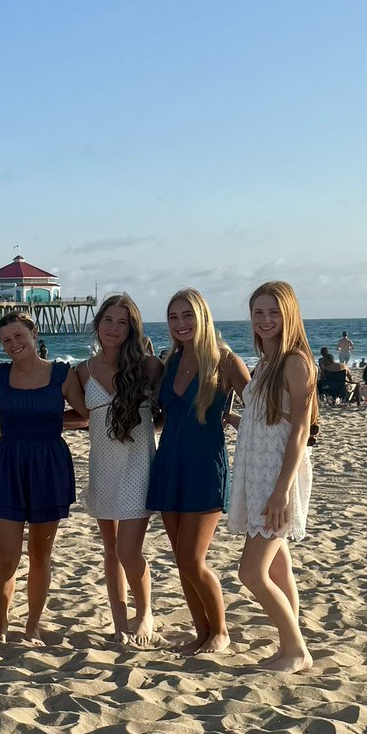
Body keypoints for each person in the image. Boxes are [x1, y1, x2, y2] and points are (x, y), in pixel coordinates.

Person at [146, 288, 249, 655]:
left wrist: (233, 417)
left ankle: (221, 630)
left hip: (205, 466)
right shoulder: (170, 361)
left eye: (187, 315)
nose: (180, 323)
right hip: (169, 464)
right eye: (173, 317)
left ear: (202, 316)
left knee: (192, 557)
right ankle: (201, 632)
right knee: (180, 558)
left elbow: (257, 410)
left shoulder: (225, 360)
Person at [0, 312, 88, 647]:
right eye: (6, 340)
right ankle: (1, 623)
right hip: (9, 464)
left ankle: (33, 626)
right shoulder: (1, 375)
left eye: (18, 337)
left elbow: (84, 415)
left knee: (41, 553)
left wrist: (49, 423)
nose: (13, 345)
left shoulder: (61, 374)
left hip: (48, 466)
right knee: (7, 556)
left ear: (33, 334)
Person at [226, 282, 316, 673]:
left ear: (289, 314)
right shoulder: (266, 361)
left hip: (277, 475)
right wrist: (233, 420)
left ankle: (296, 650)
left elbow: (299, 429)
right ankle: (287, 646)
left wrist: (281, 491)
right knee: (279, 567)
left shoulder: (296, 361)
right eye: (258, 313)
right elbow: (269, 419)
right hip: (258, 469)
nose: (265, 320)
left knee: (251, 571)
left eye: (273, 313)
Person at [75, 294, 164, 646]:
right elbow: (76, 415)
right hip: (103, 467)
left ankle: (145, 615)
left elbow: (169, 410)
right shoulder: (81, 371)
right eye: (108, 321)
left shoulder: (150, 367)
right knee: (110, 550)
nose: (114, 328)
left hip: (139, 466)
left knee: (129, 550)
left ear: (132, 329)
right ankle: (118, 621)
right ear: (98, 325)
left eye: (122, 322)